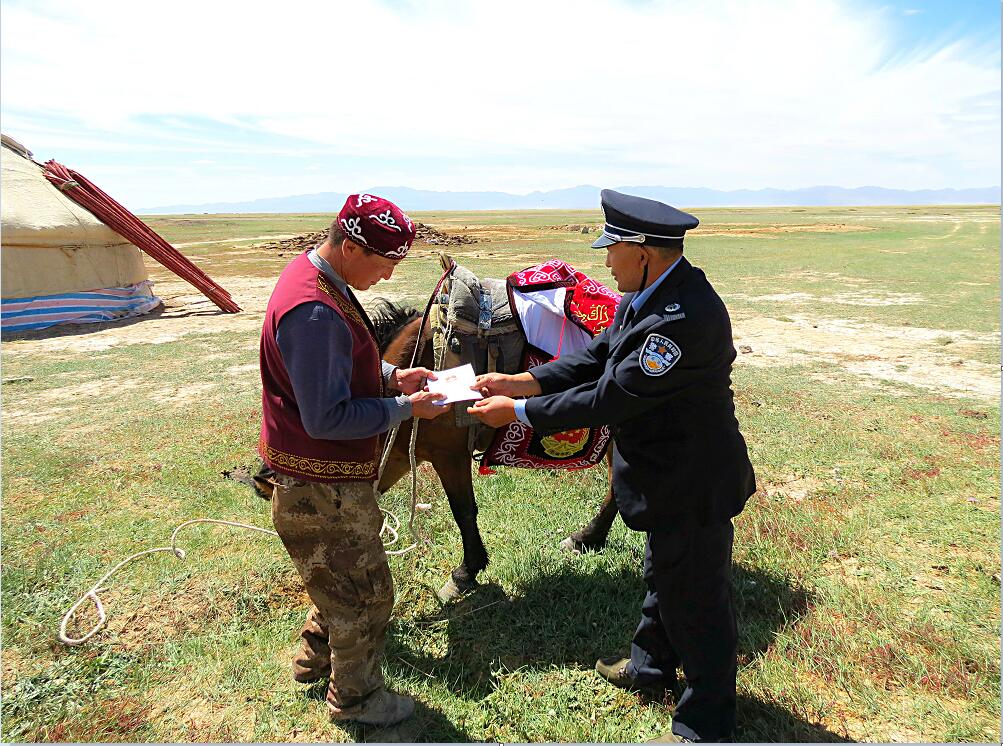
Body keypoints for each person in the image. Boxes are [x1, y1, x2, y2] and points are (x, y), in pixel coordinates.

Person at [468, 189, 755, 743]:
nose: (605, 261)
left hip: (692, 480)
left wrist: (518, 412)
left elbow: (611, 397)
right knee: (664, 576)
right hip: (665, 474)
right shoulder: (646, 295)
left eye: (611, 249)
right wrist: (523, 380)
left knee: (697, 602)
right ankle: (648, 668)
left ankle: (706, 722)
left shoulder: (681, 317)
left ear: (641, 252)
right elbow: (597, 355)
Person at [259, 193, 450, 726]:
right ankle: (357, 700)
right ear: (349, 247)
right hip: (322, 485)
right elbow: (327, 417)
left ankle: (313, 660)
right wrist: (405, 408)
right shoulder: (315, 311)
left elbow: (340, 365)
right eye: (384, 263)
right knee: (365, 597)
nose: (388, 276)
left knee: (336, 581)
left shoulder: (317, 279)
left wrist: (393, 377)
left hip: (317, 476)